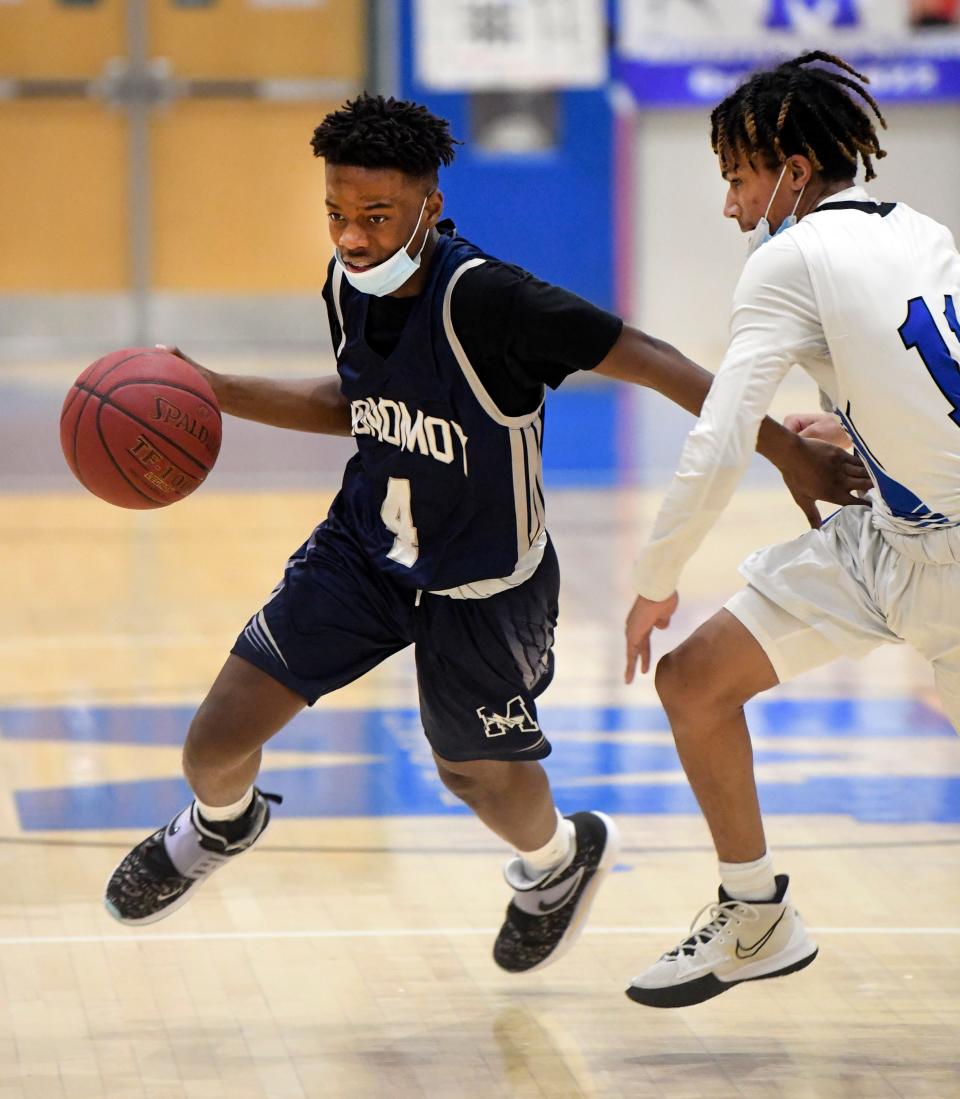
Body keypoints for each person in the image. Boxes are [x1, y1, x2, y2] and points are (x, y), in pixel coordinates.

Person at [103, 93, 864, 975]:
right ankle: (224, 824)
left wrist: (784, 454)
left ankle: (554, 865)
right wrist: (219, 388)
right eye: (337, 215)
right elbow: (363, 405)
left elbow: (656, 359)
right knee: (213, 742)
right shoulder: (350, 284)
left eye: (376, 217)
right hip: (365, 552)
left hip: (485, 582)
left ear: (431, 204)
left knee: (471, 772)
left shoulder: (493, 302)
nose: (352, 237)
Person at [624, 51, 960, 1008]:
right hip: (894, 537)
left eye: (738, 177)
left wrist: (657, 579)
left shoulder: (787, 256)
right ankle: (756, 912)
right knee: (696, 682)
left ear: (794, 173)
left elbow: (718, 442)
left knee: (677, 660)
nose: (731, 205)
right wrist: (853, 424)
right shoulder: (920, 229)